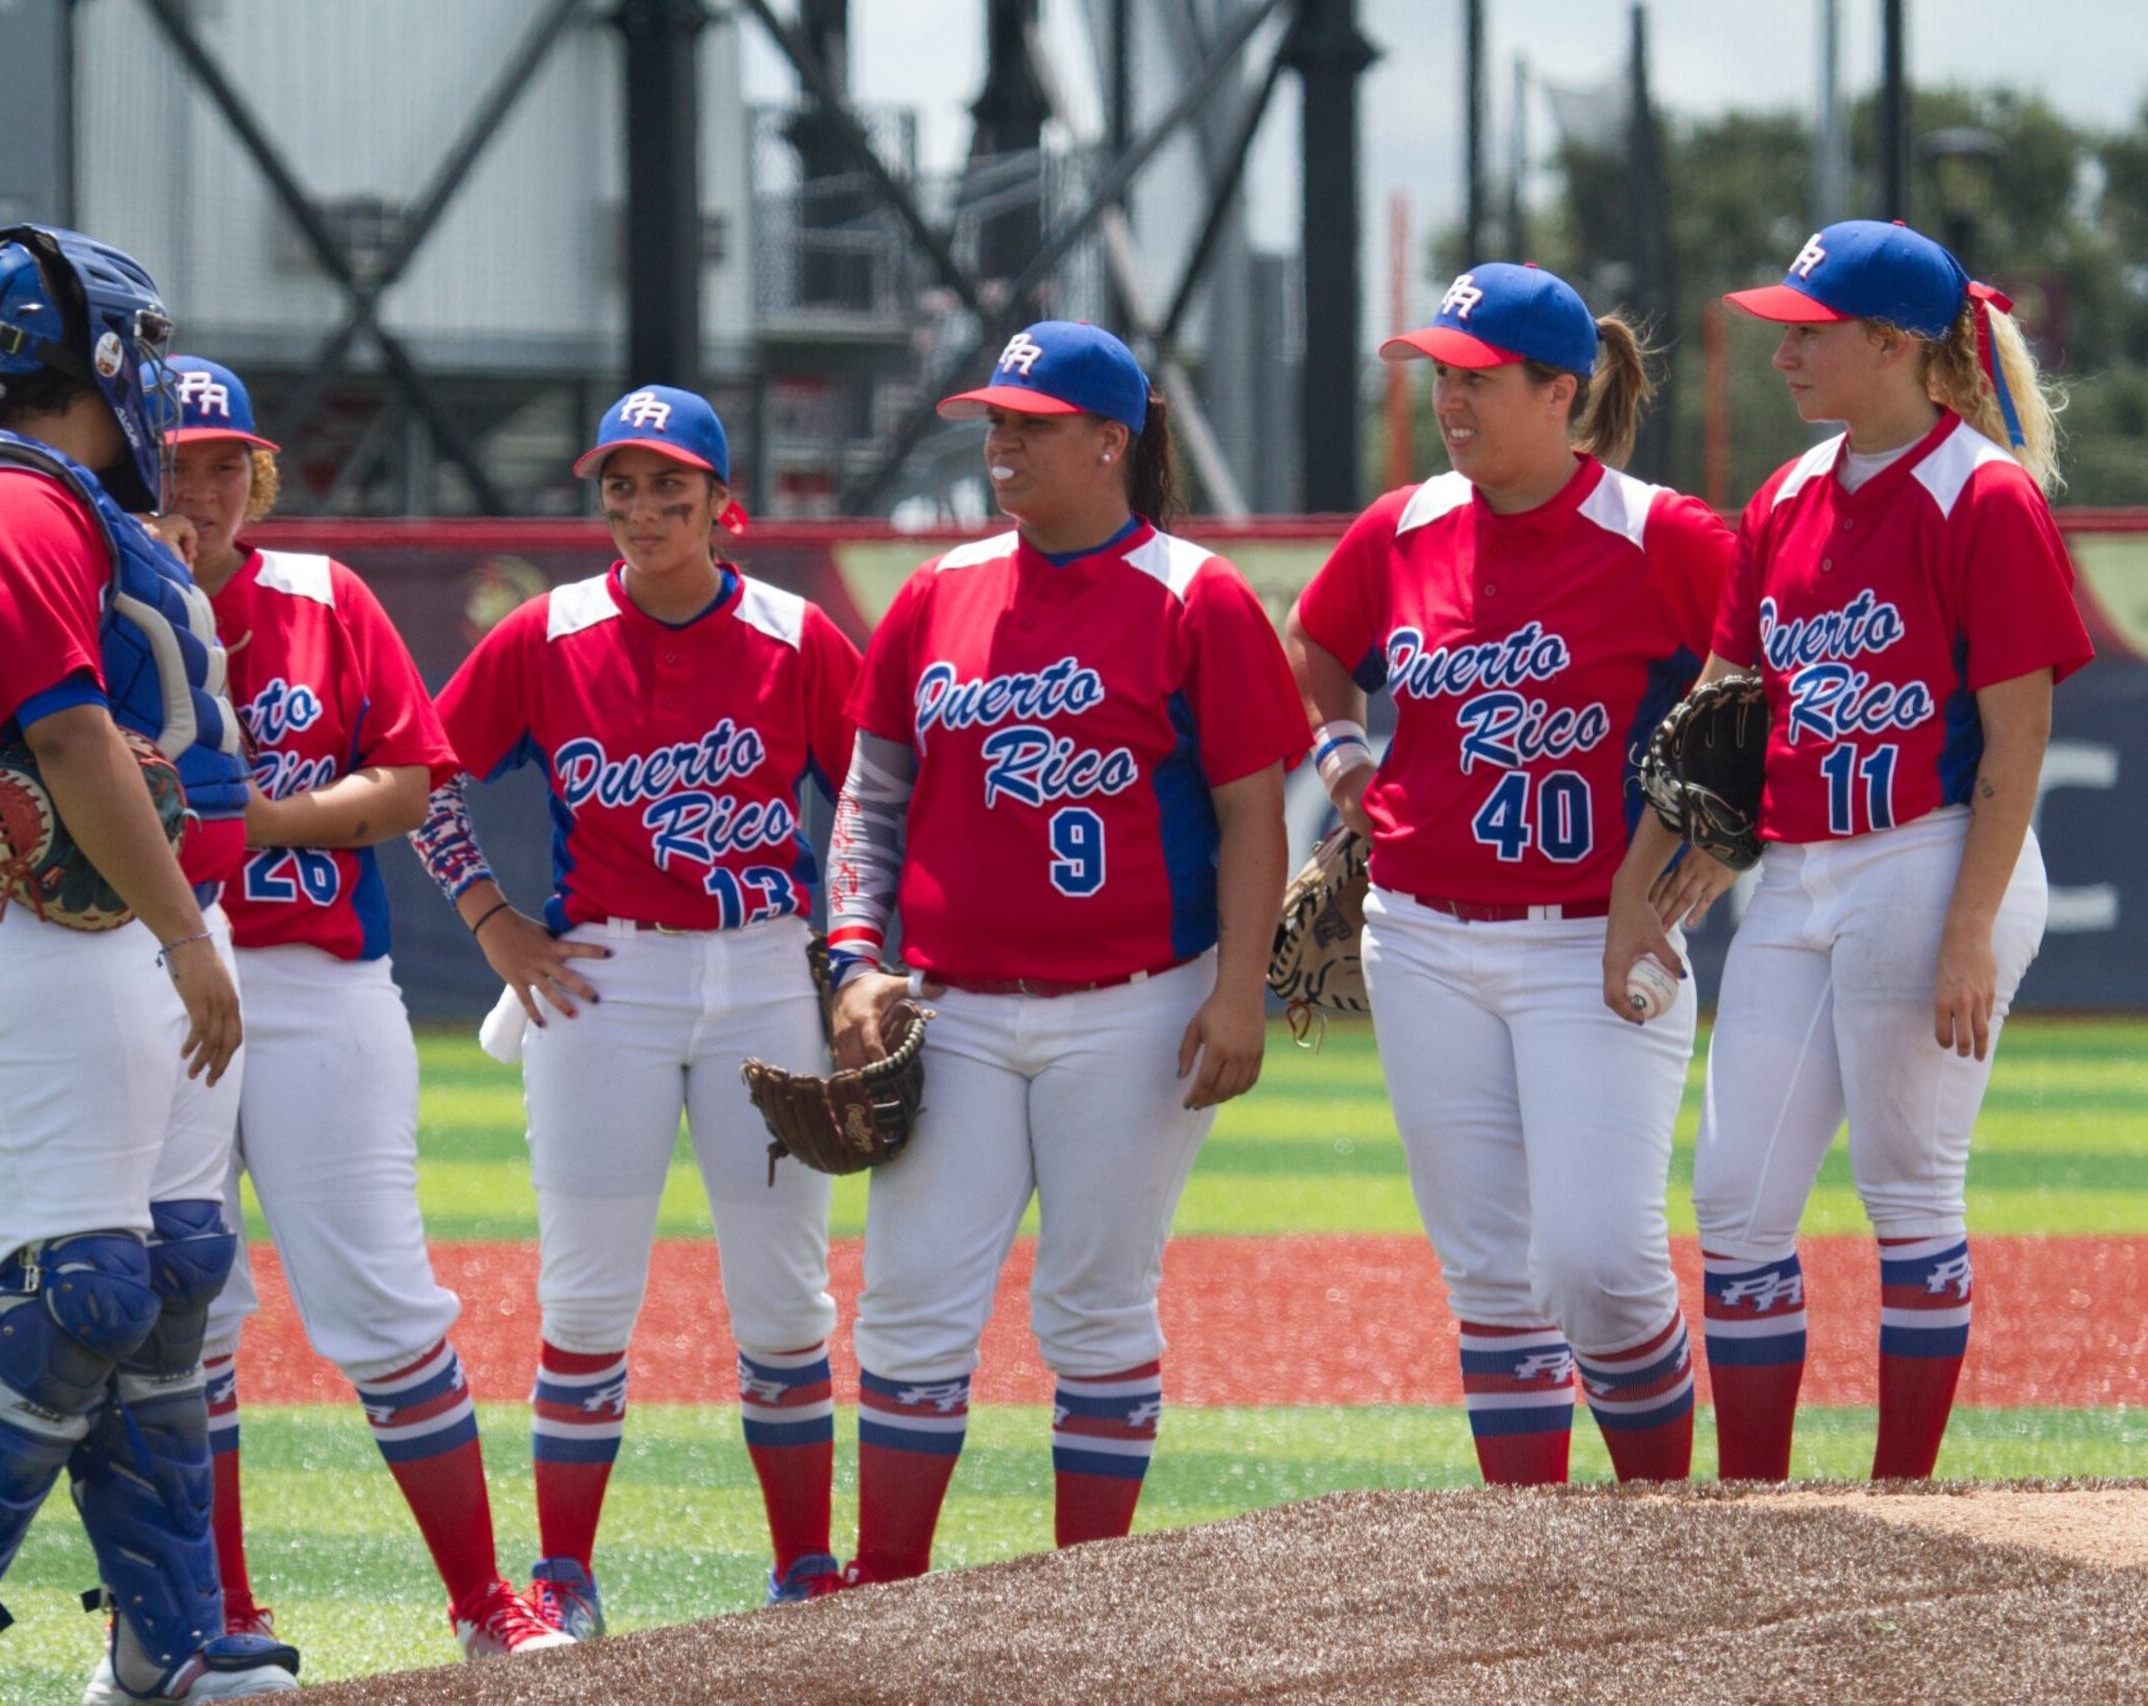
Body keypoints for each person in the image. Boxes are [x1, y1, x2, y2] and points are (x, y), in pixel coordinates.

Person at [0, 227, 296, 1705]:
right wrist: (182, 934)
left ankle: (168, 1645)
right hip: (42, 929)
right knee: (85, 1285)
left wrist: (184, 929)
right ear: (90, 350)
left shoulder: (61, 499)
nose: (153, 378)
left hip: (134, 926)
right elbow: (67, 734)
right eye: (141, 347)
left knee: (172, 1279)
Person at [823, 322, 1299, 1581]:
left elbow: (1255, 806)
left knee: (1094, 1306)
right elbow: (870, 797)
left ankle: (1088, 1604)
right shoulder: (938, 590)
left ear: (1109, 440)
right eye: (996, 420)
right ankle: (884, 1596)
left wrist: (1239, 988)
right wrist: (854, 960)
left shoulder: (1197, 596)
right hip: (954, 1004)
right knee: (913, 1303)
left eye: (1030, 422)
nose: (1002, 441)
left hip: (1136, 1005)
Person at [408, 385, 861, 1632]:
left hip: (766, 969)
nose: (644, 507)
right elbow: (424, 784)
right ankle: (562, 1573)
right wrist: (495, 923)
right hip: (602, 978)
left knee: (784, 1292)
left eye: (672, 486)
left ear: (726, 506)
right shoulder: (546, 633)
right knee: (587, 1290)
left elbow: (873, 801)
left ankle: (806, 1568)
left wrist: (858, 952)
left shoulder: (795, 634)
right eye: (621, 483)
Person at [1655, 220, 2091, 1480]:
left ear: (1893, 345)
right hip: (1793, 867)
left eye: (1808, 332)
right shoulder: (1786, 496)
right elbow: (1730, 691)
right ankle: (1756, 1511)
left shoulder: (1981, 493)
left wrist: (1969, 924)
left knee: (1906, 1187)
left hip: (1932, 851)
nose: (1781, 353)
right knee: (1735, 1199)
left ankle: (1900, 1495)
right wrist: (1701, 845)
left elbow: (2020, 729)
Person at [1284, 265, 1731, 1486]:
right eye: (1441, 374)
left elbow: (1759, 689)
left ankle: (1661, 1540)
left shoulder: (1663, 536)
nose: (1450, 399)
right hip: (1421, 936)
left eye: (1478, 377)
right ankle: (1526, 1564)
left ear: (1560, 390)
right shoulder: (1403, 525)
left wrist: (1707, 842)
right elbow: (1319, 646)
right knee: (1489, 1270)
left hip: (1592, 936)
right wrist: (1341, 762)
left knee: (1598, 1258)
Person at [156, 357, 569, 1660]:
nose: (203, 484)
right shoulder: (95, 602)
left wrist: (259, 818)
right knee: (181, 1310)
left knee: (385, 1302)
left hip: (314, 975)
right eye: (174, 458)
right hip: (149, 980)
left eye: (226, 461)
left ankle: (486, 1605)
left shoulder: (323, 597)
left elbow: (412, 779)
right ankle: (211, 1614)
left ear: (257, 475)